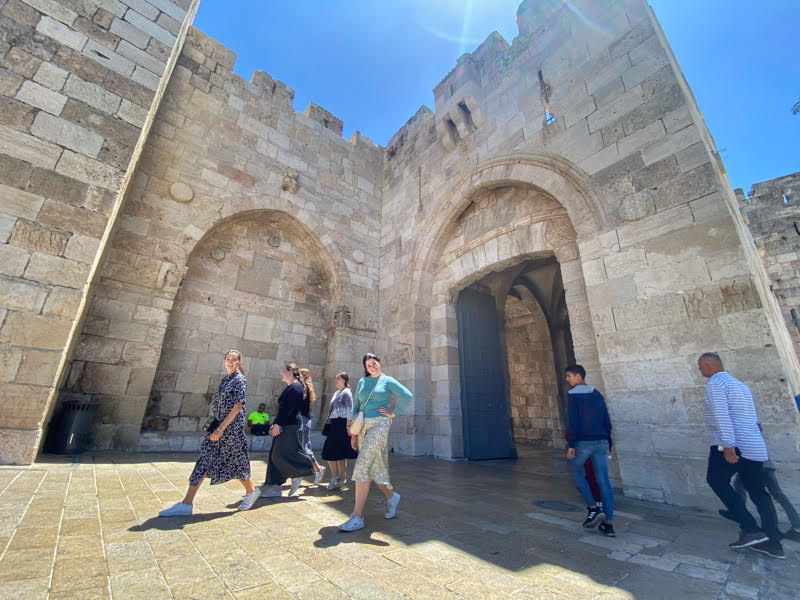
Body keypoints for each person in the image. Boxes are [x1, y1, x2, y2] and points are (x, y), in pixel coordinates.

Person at [698, 352, 785, 559]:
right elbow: (751, 417)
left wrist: (727, 444)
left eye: (700, 366)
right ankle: (773, 543)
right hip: (754, 446)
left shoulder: (715, 384)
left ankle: (750, 527)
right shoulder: (740, 385)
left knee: (716, 480)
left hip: (733, 446)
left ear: (708, 365)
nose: (699, 370)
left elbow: (722, 414)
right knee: (758, 492)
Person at [159, 350, 258, 515]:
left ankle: (251, 491)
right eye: (227, 359)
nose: (230, 362)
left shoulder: (239, 380)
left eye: (234, 360)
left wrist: (220, 429)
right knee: (205, 459)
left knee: (237, 461)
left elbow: (237, 406)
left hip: (230, 429)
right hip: (219, 426)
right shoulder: (226, 379)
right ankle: (187, 503)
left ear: (240, 362)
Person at [339, 353, 413, 532]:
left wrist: (393, 412)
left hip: (380, 424)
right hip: (363, 426)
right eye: (368, 365)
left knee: (362, 464)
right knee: (374, 467)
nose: (371, 367)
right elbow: (356, 405)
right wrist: (353, 433)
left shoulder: (387, 381)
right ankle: (392, 496)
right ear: (365, 368)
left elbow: (406, 395)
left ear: (379, 363)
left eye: (374, 363)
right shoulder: (363, 383)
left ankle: (357, 517)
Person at [564, 364, 615, 537]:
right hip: (601, 441)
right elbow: (605, 418)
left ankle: (593, 508)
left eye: (569, 376)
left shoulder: (572, 396)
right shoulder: (596, 393)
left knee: (575, 470)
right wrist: (608, 440)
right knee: (604, 481)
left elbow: (573, 421)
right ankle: (608, 524)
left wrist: (571, 444)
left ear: (579, 376)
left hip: (583, 442)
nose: (567, 379)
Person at [260, 363, 315, 498]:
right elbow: (283, 409)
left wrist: (278, 424)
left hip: (290, 425)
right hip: (285, 424)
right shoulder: (292, 387)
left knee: (279, 454)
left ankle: (301, 471)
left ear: (290, 372)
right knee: (275, 454)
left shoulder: (296, 387)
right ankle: (275, 485)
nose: (281, 373)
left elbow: (289, 409)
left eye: (284, 371)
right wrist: (275, 424)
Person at [722, 460, 800, 542]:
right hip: (767, 466)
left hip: (754, 466)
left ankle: (738, 512)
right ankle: (797, 525)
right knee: (778, 494)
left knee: (754, 493)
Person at [321, 372, 358, 490]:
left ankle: (340, 478)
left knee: (339, 453)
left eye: (338, 378)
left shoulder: (347, 393)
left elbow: (350, 410)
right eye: (335, 378)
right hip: (334, 424)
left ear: (345, 380)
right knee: (331, 452)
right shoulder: (337, 393)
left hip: (342, 424)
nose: (335, 380)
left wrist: (348, 426)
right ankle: (337, 477)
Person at [298, 368, 326, 485]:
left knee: (305, 446)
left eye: (299, 374)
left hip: (303, 420)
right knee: (301, 446)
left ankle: (318, 468)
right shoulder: (302, 387)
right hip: (301, 420)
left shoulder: (304, 388)